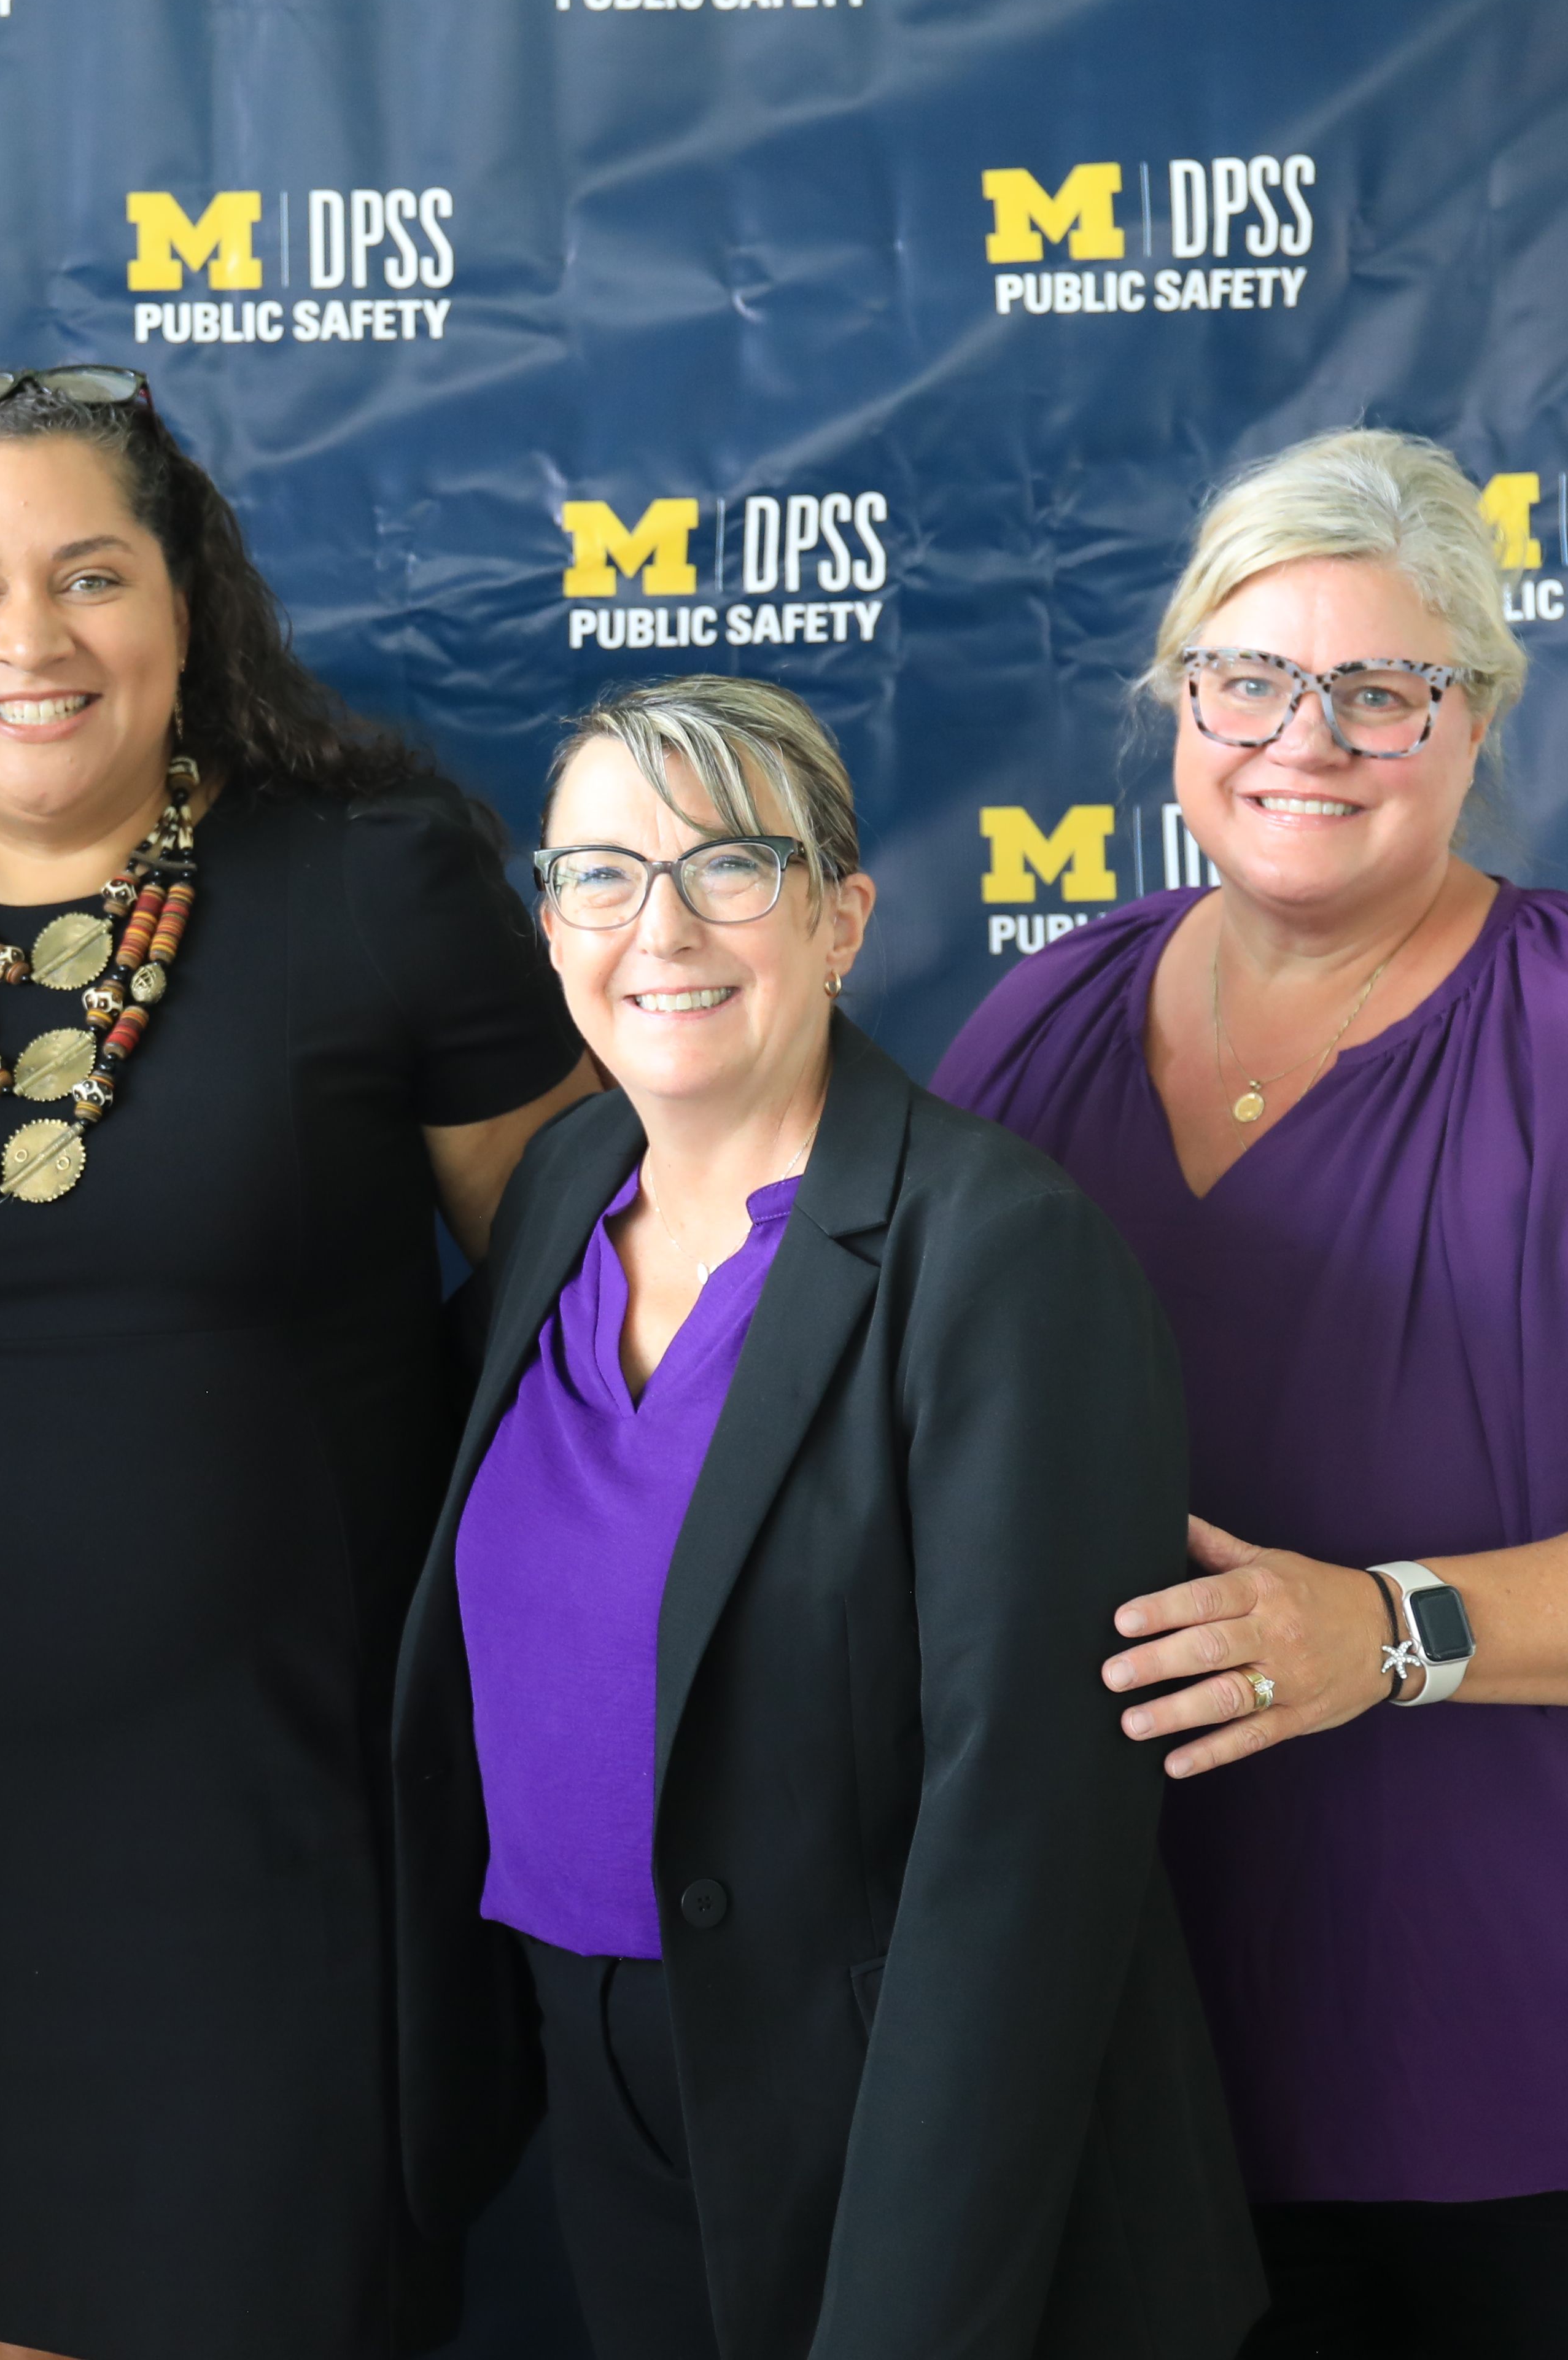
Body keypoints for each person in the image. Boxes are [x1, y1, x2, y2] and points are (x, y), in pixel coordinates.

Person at [936, 430, 1568, 2360]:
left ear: (1472, 721)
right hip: (1203, 2056)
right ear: (1177, 703)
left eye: (1379, 691)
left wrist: (1384, 1631)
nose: (1302, 740)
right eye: (1247, 679)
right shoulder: (1042, 1022)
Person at [0, 363, 595, 2360]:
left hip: (284, 1810)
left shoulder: (371, 882)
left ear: (186, 613)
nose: (29, 637)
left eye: (91, 575)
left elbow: (591, 1293)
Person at [381, 673, 1266, 2360]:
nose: (661, 928)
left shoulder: (997, 1253)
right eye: (602, 874)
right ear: (552, 926)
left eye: (729, 864)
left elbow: (1028, 1842)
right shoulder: (563, 1188)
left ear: (842, 918)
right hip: (606, 2061)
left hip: (896, 2103)